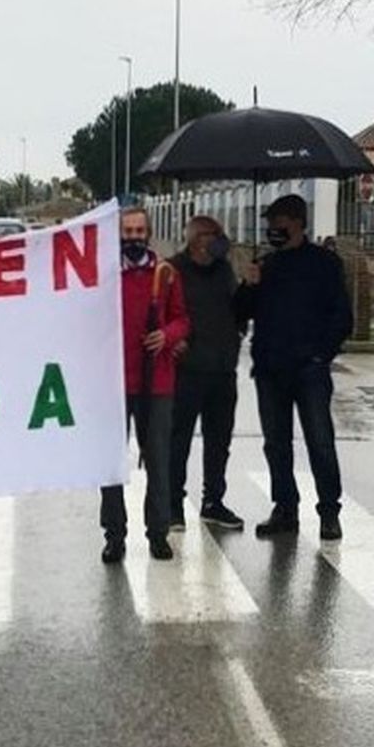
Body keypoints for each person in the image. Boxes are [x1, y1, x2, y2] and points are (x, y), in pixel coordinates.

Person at [236, 194, 353, 540]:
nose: (273, 229)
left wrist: (322, 355)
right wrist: (248, 285)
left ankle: (329, 511)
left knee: (320, 441)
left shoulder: (325, 264)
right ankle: (285, 508)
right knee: (276, 444)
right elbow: (239, 314)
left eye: (280, 222)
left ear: (298, 223)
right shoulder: (266, 265)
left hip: (309, 369)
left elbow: (342, 316)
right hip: (270, 369)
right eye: (270, 223)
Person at [100, 206, 189, 564]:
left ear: (148, 233)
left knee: (158, 460)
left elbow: (183, 318)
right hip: (113, 383)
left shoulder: (165, 273)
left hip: (158, 382)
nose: (133, 237)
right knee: (109, 464)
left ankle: (158, 533)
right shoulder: (105, 274)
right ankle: (114, 535)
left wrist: (166, 335)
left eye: (139, 231)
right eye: (127, 231)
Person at [169, 216, 245, 532]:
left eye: (218, 234)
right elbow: (162, 312)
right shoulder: (173, 269)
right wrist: (174, 340)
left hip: (223, 369)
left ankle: (213, 500)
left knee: (219, 441)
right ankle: (173, 503)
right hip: (187, 371)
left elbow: (238, 308)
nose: (215, 239)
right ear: (194, 237)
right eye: (208, 234)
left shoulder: (224, 269)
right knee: (178, 441)